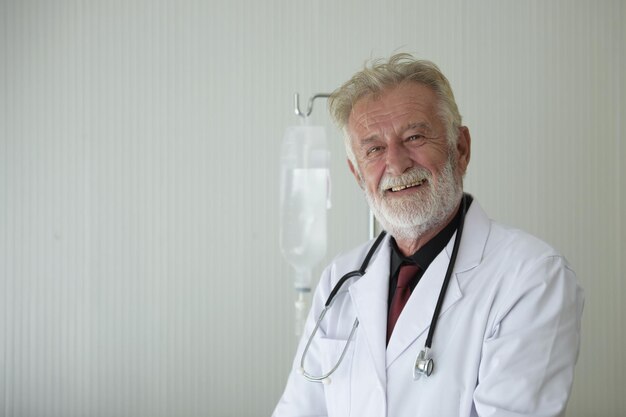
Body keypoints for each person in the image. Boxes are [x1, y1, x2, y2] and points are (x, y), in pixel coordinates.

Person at [272, 54, 584, 417]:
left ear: (461, 149)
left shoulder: (531, 278)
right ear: (357, 175)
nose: (397, 162)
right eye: (373, 149)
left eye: (414, 136)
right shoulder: (338, 281)